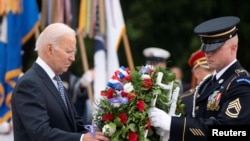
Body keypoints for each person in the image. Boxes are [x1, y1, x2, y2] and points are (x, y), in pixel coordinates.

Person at [148, 16, 250, 141]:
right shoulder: (209, 82)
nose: (208, 53)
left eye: (215, 48)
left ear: (233, 48)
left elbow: (225, 131)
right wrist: (172, 129)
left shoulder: (240, 84)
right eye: (207, 48)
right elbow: (197, 121)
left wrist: (173, 124)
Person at [11, 23, 109, 141]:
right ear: (50, 49)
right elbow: (40, 133)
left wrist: (105, 132)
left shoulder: (56, 80)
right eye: (68, 51)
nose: (72, 58)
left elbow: (75, 125)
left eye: (74, 52)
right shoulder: (29, 84)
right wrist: (82, 139)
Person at [180, 49, 214, 116]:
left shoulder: (224, 95)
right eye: (209, 70)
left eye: (215, 70)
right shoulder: (184, 100)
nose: (213, 74)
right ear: (197, 73)